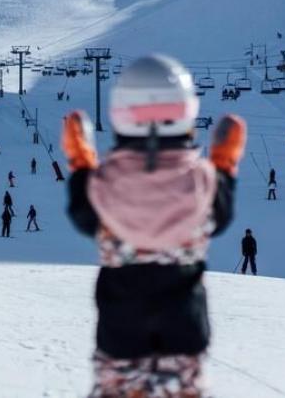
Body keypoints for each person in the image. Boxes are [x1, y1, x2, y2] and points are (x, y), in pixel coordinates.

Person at [62, 55, 242, 397]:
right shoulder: (204, 184)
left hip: (120, 335)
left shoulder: (103, 186)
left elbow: (83, 216)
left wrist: (81, 165)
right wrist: (224, 166)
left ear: (119, 115)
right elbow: (220, 218)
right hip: (184, 334)